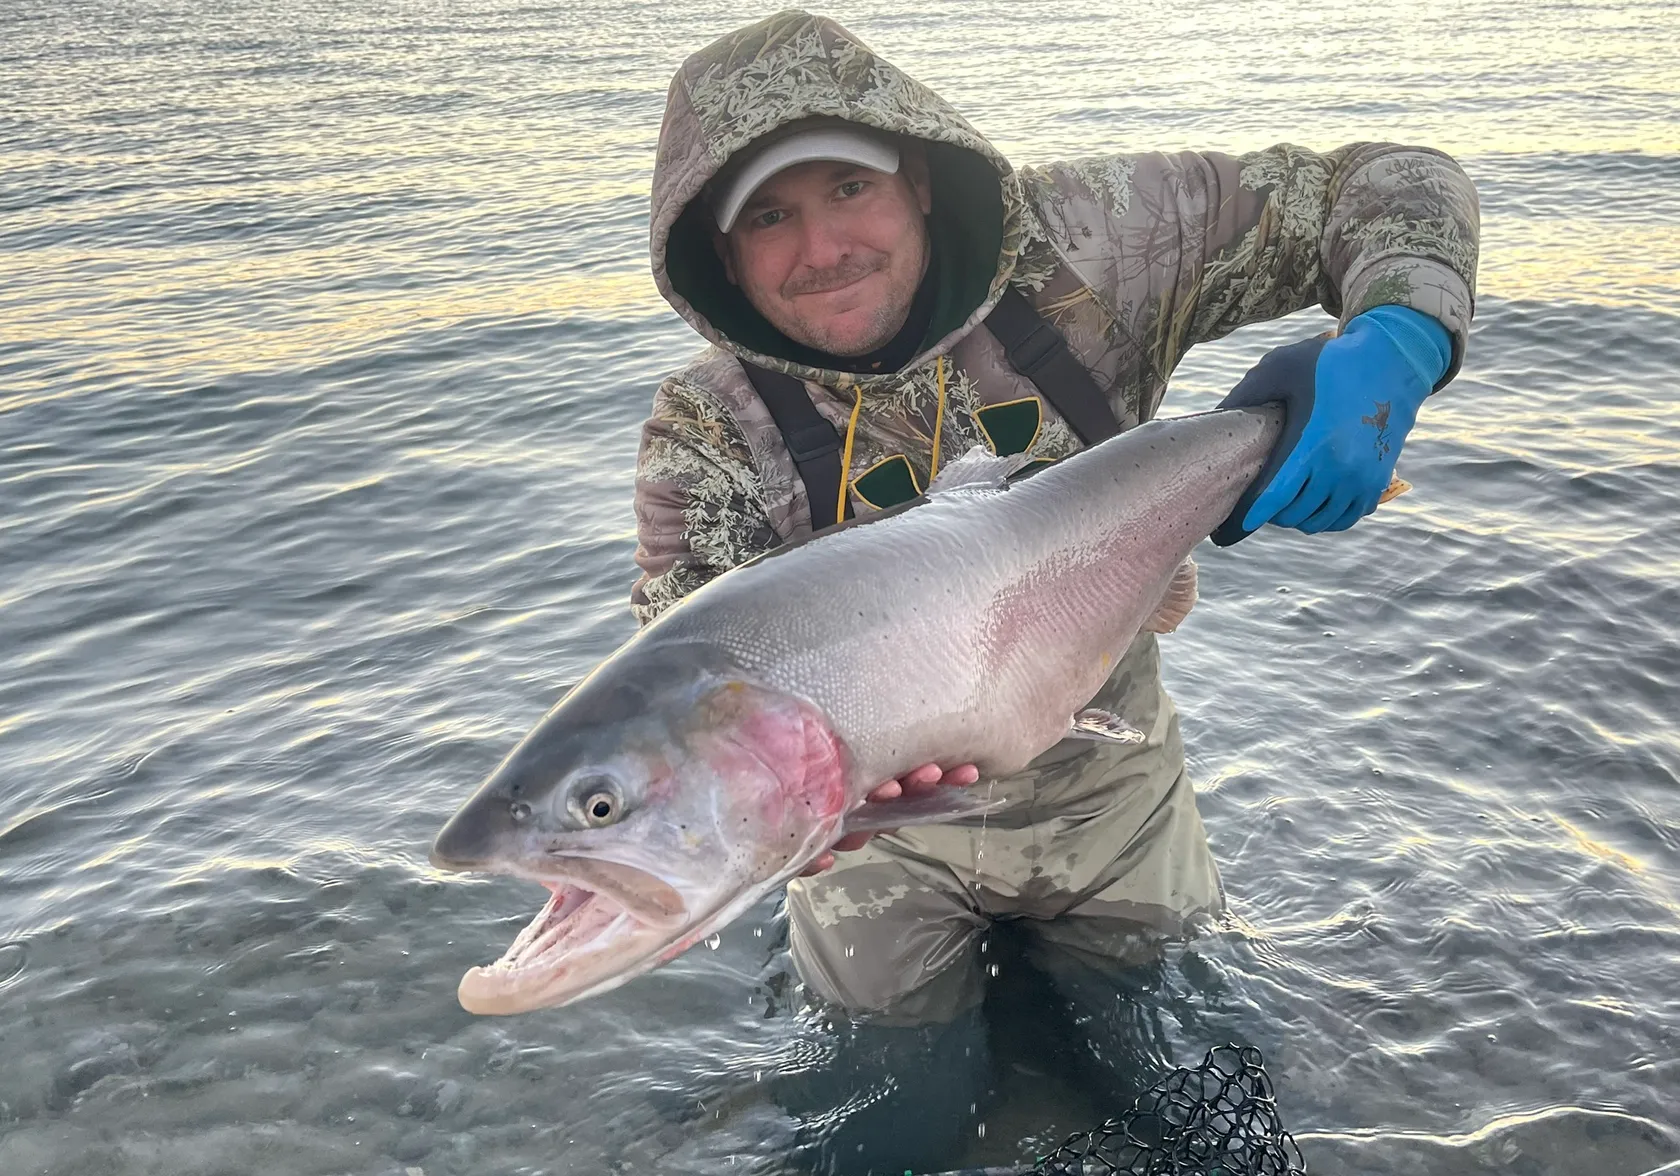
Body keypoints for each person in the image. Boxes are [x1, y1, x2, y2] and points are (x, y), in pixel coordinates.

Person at [633, 10, 1478, 1171]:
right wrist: (755, 840)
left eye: (847, 189)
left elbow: (1385, 182)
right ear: (721, 257)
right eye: (769, 217)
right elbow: (685, 689)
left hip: (1111, 787)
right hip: (882, 834)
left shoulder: (1101, 245)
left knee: (1199, 1098)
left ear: (919, 180)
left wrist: (1399, 333)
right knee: (887, 1121)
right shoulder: (707, 428)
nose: (820, 245)